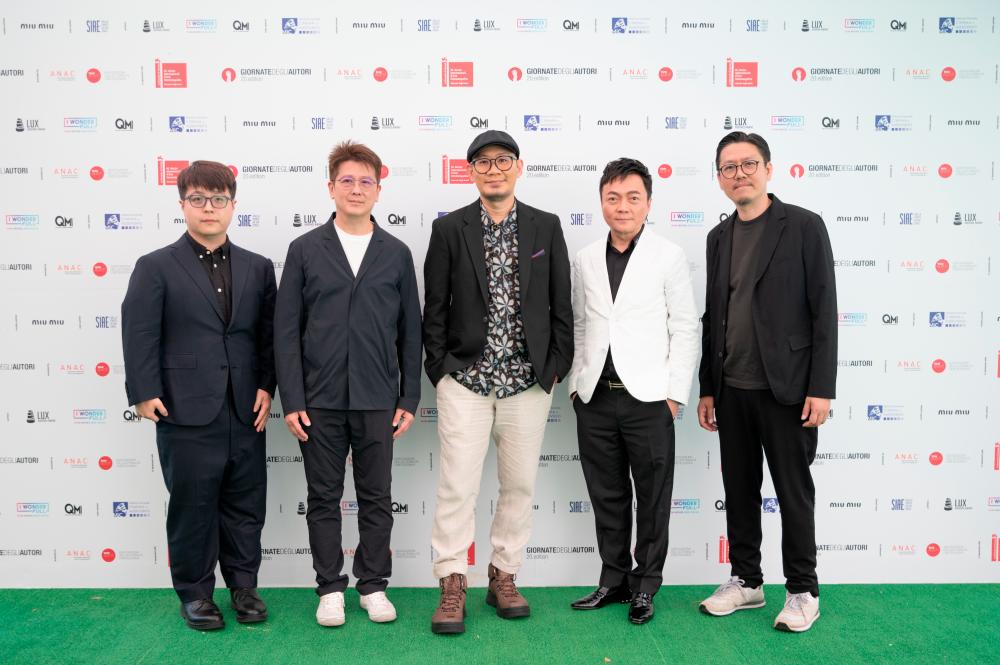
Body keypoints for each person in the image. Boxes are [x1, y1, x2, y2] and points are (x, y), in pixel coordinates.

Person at [423, 130, 573, 634]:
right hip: (465, 380)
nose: (493, 169)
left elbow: (561, 305)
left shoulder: (545, 227)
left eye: (502, 160)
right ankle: (451, 582)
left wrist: (553, 370)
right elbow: (434, 309)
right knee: (456, 487)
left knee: (520, 485)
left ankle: (503, 575)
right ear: (470, 171)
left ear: (518, 166)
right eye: (482, 162)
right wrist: (441, 370)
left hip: (527, 383)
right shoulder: (450, 230)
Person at [121, 160, 276, 630]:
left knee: (246, 504)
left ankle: (244, 587)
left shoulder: (258, 266)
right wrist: (144, 392)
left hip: (245, 407)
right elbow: (140, 332)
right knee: (192, 506)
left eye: (218, 199)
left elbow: (268, 335)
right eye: (198, 199)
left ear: (233, 204)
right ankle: (195, 594)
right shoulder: (155, 267)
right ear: (182, 205)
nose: (209, 208)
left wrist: (268, 385)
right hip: (183, 408)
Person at [274, 141, 421, 628]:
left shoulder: (396, 254)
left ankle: (373, 586)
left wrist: (409, 396)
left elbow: (411, 333)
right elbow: (286, 332)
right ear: (331, 187)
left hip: (379, 398)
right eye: (347, 181)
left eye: (366, 181)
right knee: (323, 496)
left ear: (379, 188)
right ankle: (330, 588)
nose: (356, 190)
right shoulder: (304, 250)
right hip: (319, 399)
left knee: (377, 495)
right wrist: (291, 398)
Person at [696, 132, 837, 633]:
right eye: (728, 167)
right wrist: (708, 387)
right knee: (739, 489)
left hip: (790, 390)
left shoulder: (802, 226)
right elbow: (715, 316)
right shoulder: (718, 237)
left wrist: (821, 387)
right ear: (719, 178)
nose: (739, 174)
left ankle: (803, 589)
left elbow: (825, 311)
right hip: (733, 389)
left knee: (793, 492)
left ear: (769, 169)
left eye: (748, 164)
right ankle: (747, 581)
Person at [566, 158, 699, 624]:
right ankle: (613, 579)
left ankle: (646, 585)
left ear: (648, 202)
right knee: (607, 493)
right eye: (613, 197)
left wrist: (674, 395)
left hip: (649, 398)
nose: (622, 206)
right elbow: (582, 323)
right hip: (596, 396)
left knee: (653, 495)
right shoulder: (584, 257)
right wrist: (577, 387)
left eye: (633, 197)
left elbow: (684, 327)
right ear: (601, 201)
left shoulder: (668, 255)